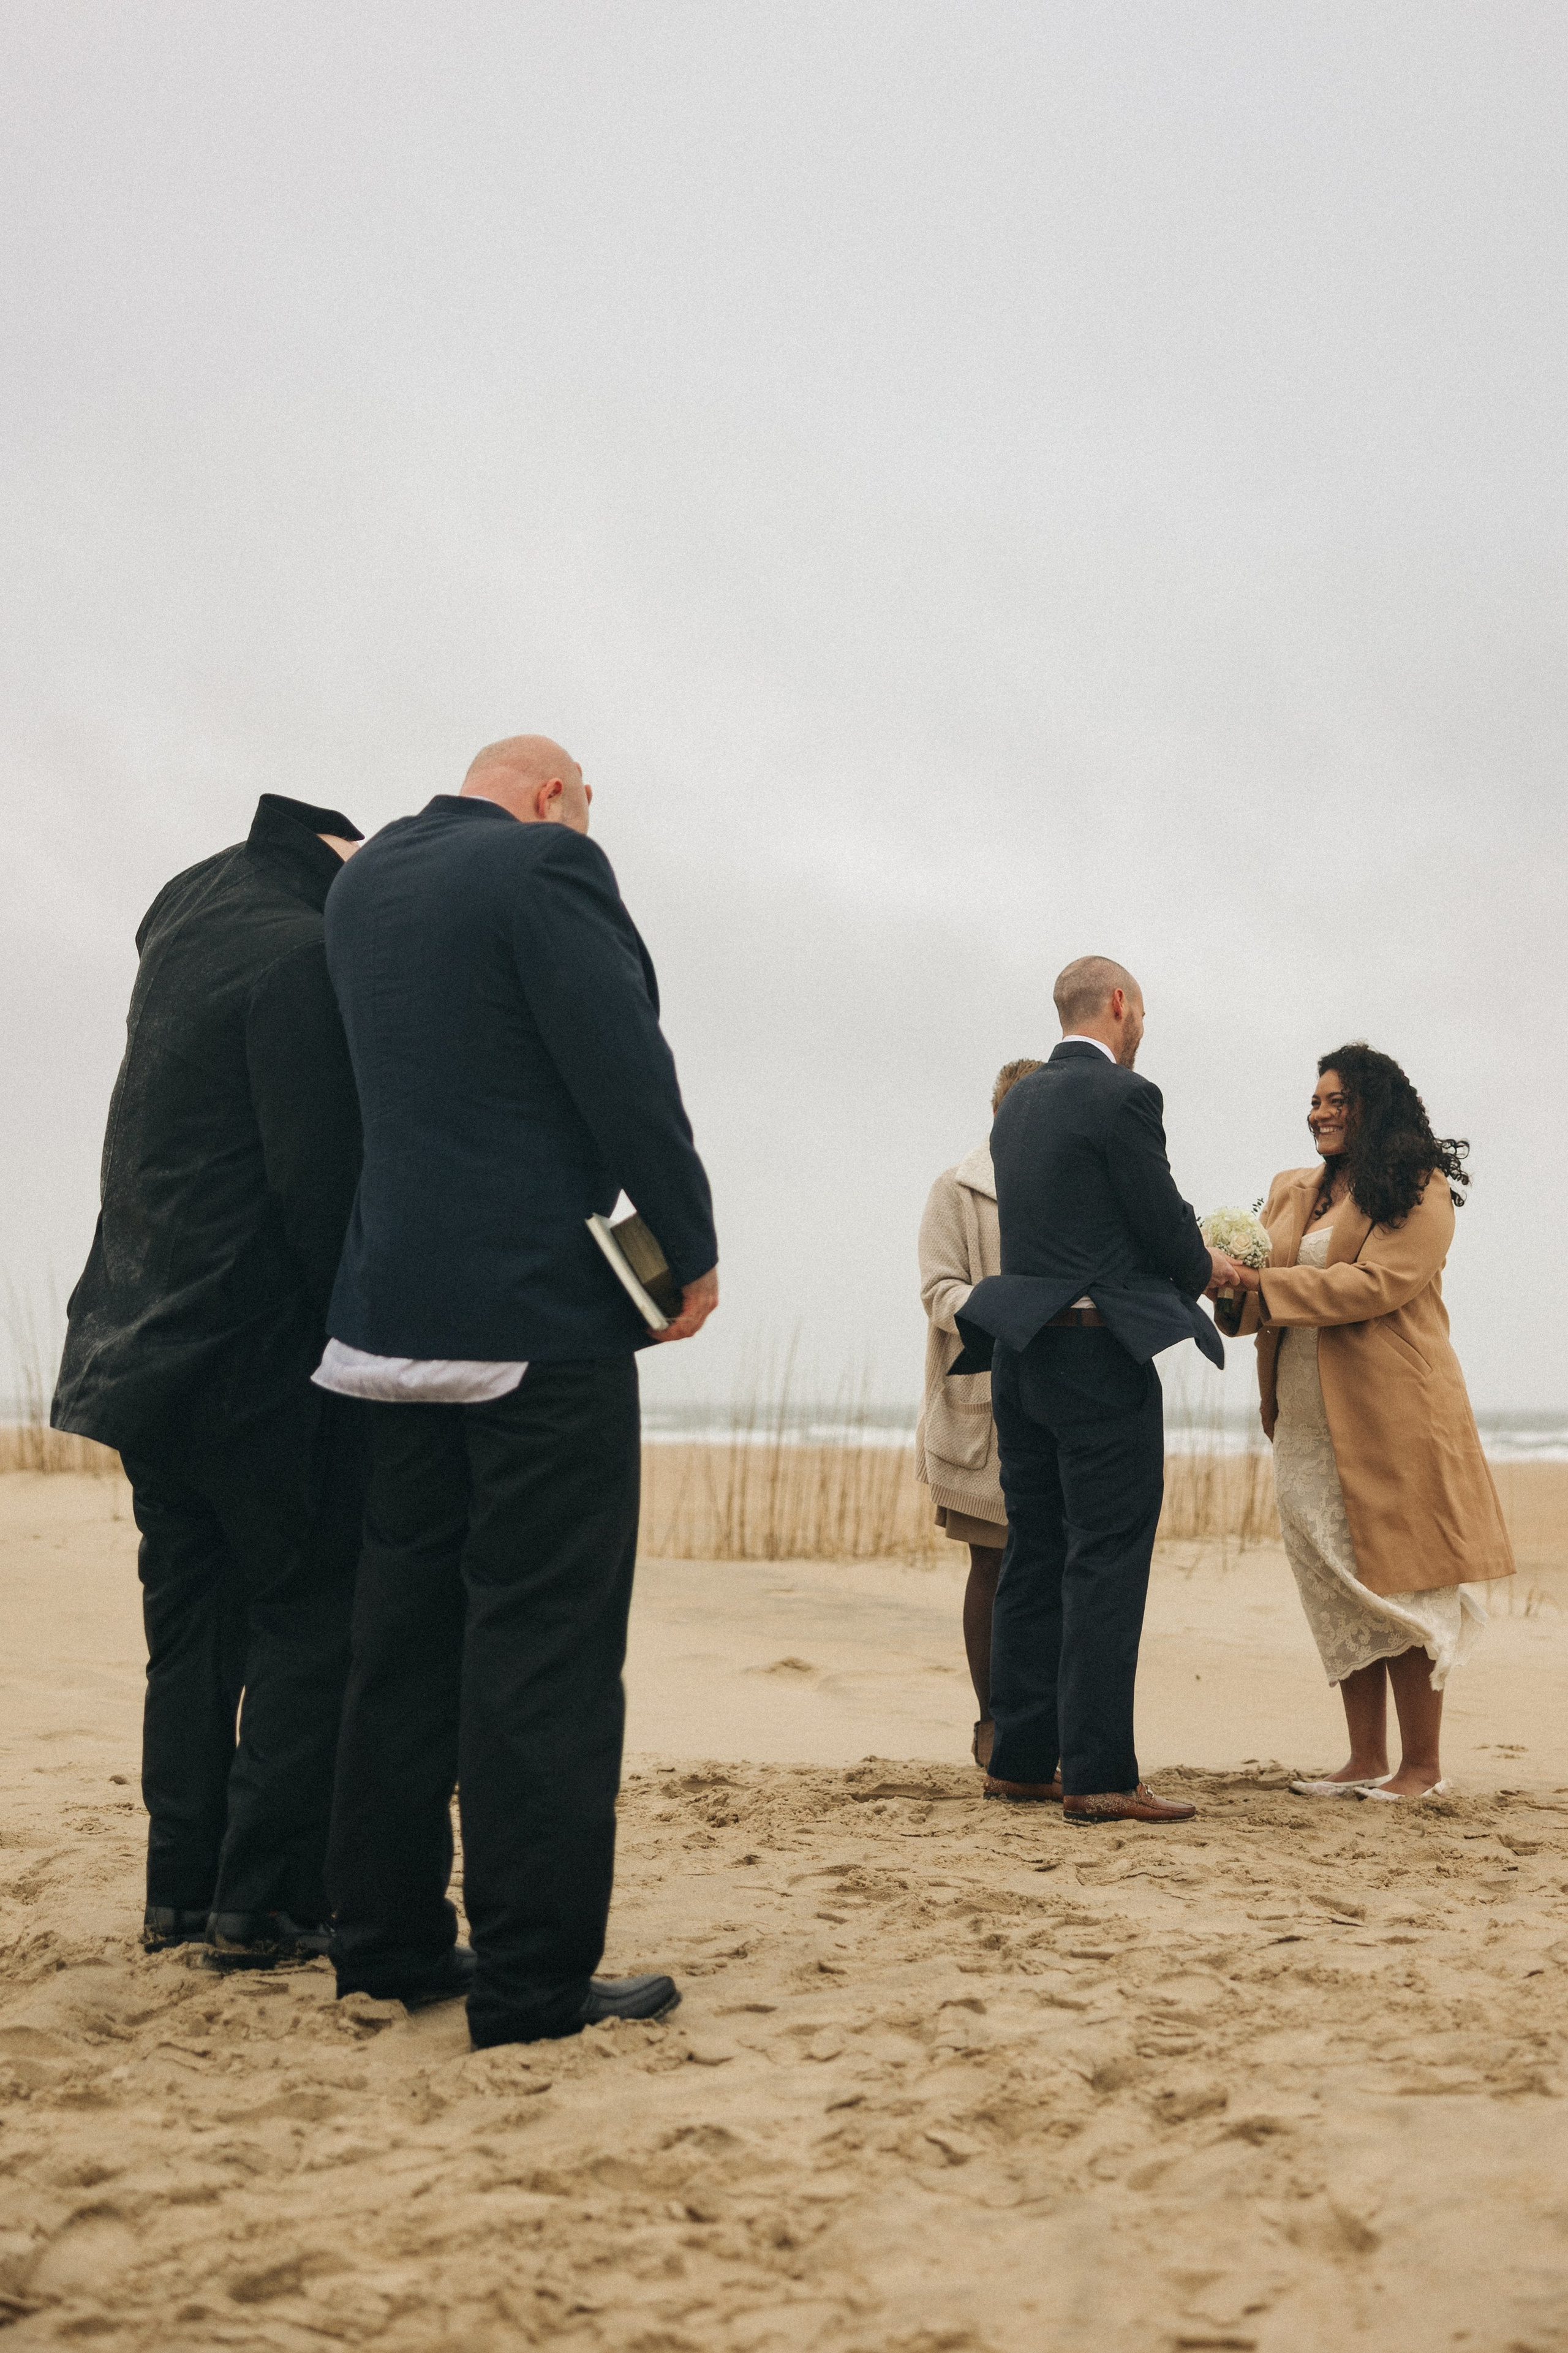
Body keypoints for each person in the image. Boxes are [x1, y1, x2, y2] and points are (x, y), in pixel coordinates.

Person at [317, 734, 718, 2047]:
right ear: (553, 794)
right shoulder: (547, 867)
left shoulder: (364, 884)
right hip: (533, 1320)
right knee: (542, 1647)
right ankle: (532, 1981)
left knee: (400, 1642)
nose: (589, 826)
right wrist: (687, 1251)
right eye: (590, 806)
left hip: (385, 1317)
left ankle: (381, 1946)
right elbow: (622, 1070)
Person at [51, 795, 369, 1965]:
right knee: (307, 1610)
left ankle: (177, 1893)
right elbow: (315, 1185)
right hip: (249, 1349)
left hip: (134, 1342)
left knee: (189, 1631)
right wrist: (367, 1333)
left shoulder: (188, 916)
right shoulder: (301, 952)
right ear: (341, 855)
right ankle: (263, 1899)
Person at [949, 956, 1243, 1826]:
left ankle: (1022, 1757)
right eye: (1141, 1010)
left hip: (1021, 1356)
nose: (1142, 1025)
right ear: (1119, 1005)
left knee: (1035, 1553)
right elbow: (1160, 1225)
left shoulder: (1022, 1105)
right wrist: (1212, 1266)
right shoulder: (1124, 1098)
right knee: (1107, 1557)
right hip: (1092, 1356)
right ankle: (1101, 1774)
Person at [1229, 1044, 1513, 1799]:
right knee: (1332, 1578)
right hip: (1302, 1414)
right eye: (1315, 1100)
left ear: (1373, 1106)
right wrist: (1226, 1286)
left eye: (1337, 1100)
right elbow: (1255, 1304)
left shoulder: (1418, 1188)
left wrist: (1264, 1283)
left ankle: (1421, 1766)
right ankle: (1362, 1759)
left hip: (1392, 1414)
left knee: (1403, 1583)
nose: (1318, 1111)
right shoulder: (1292, 1189)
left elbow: (1375, 1285)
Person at [916, 1058, 1042, 1768]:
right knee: (991, 1564)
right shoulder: (956, 1188)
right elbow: (938, 1291)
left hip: (1055, 1401)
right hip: (980, 1403)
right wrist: (1016, 1313)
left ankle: (1041, 1719)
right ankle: (990, 1721)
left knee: (1050, 1566)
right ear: (998, 1116)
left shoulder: (1070, 1185)